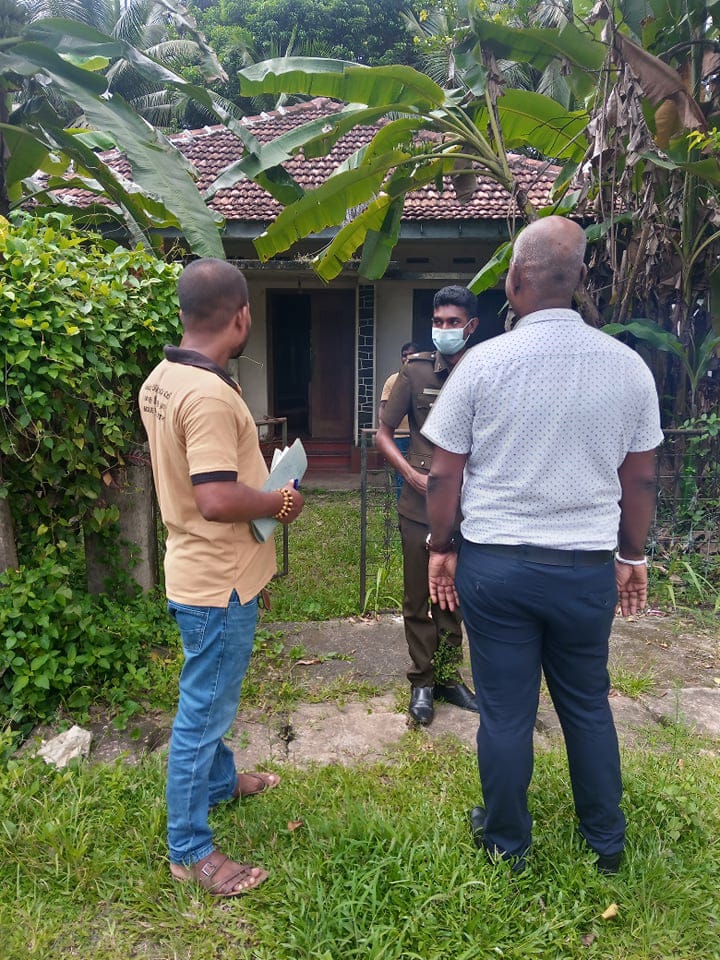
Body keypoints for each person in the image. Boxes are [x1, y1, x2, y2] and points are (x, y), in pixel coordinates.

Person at [423, 217, 663, 873]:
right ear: (581, 280)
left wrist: (440, 545)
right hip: (584, 570)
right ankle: (605, 845)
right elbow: (640, 477)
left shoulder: (482, 364)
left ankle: (506, 843)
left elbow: (445, 472)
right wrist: (632, 556)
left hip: (495, 568)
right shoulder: (627, 367)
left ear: (513, 282)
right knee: (587, 703)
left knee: (504, 712)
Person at [139, 258, 304, 898]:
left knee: (214, 700)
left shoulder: (164, 377)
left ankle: (219, 782)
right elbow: (213, 496)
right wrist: (276, 502)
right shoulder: (207, 394)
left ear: (184, 315)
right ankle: (189, 851)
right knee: (202, 714)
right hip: (218, 582)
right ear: (242, 316)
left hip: (200, 568)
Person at [375, 286, 480, 726]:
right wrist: (407, 472)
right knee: (419, 595)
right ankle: (421, 681)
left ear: (470, 327)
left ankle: (448, 677)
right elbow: (381, 431)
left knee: (453, 596)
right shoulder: (413, 373)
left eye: (452, 323)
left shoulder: (483, 370)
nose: (443, 330)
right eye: (438, 322)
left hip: (472, 505)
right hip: (419, 502)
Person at [379, 341, 419, 497]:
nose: (407, 358)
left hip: (421, 437)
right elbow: (383, 406)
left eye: (411, 354)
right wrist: (384, 433)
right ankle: (402, 514)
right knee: (401, 477)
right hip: (400, 437)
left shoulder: (427, 379)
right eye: (404, 355)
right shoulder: (393, 380)